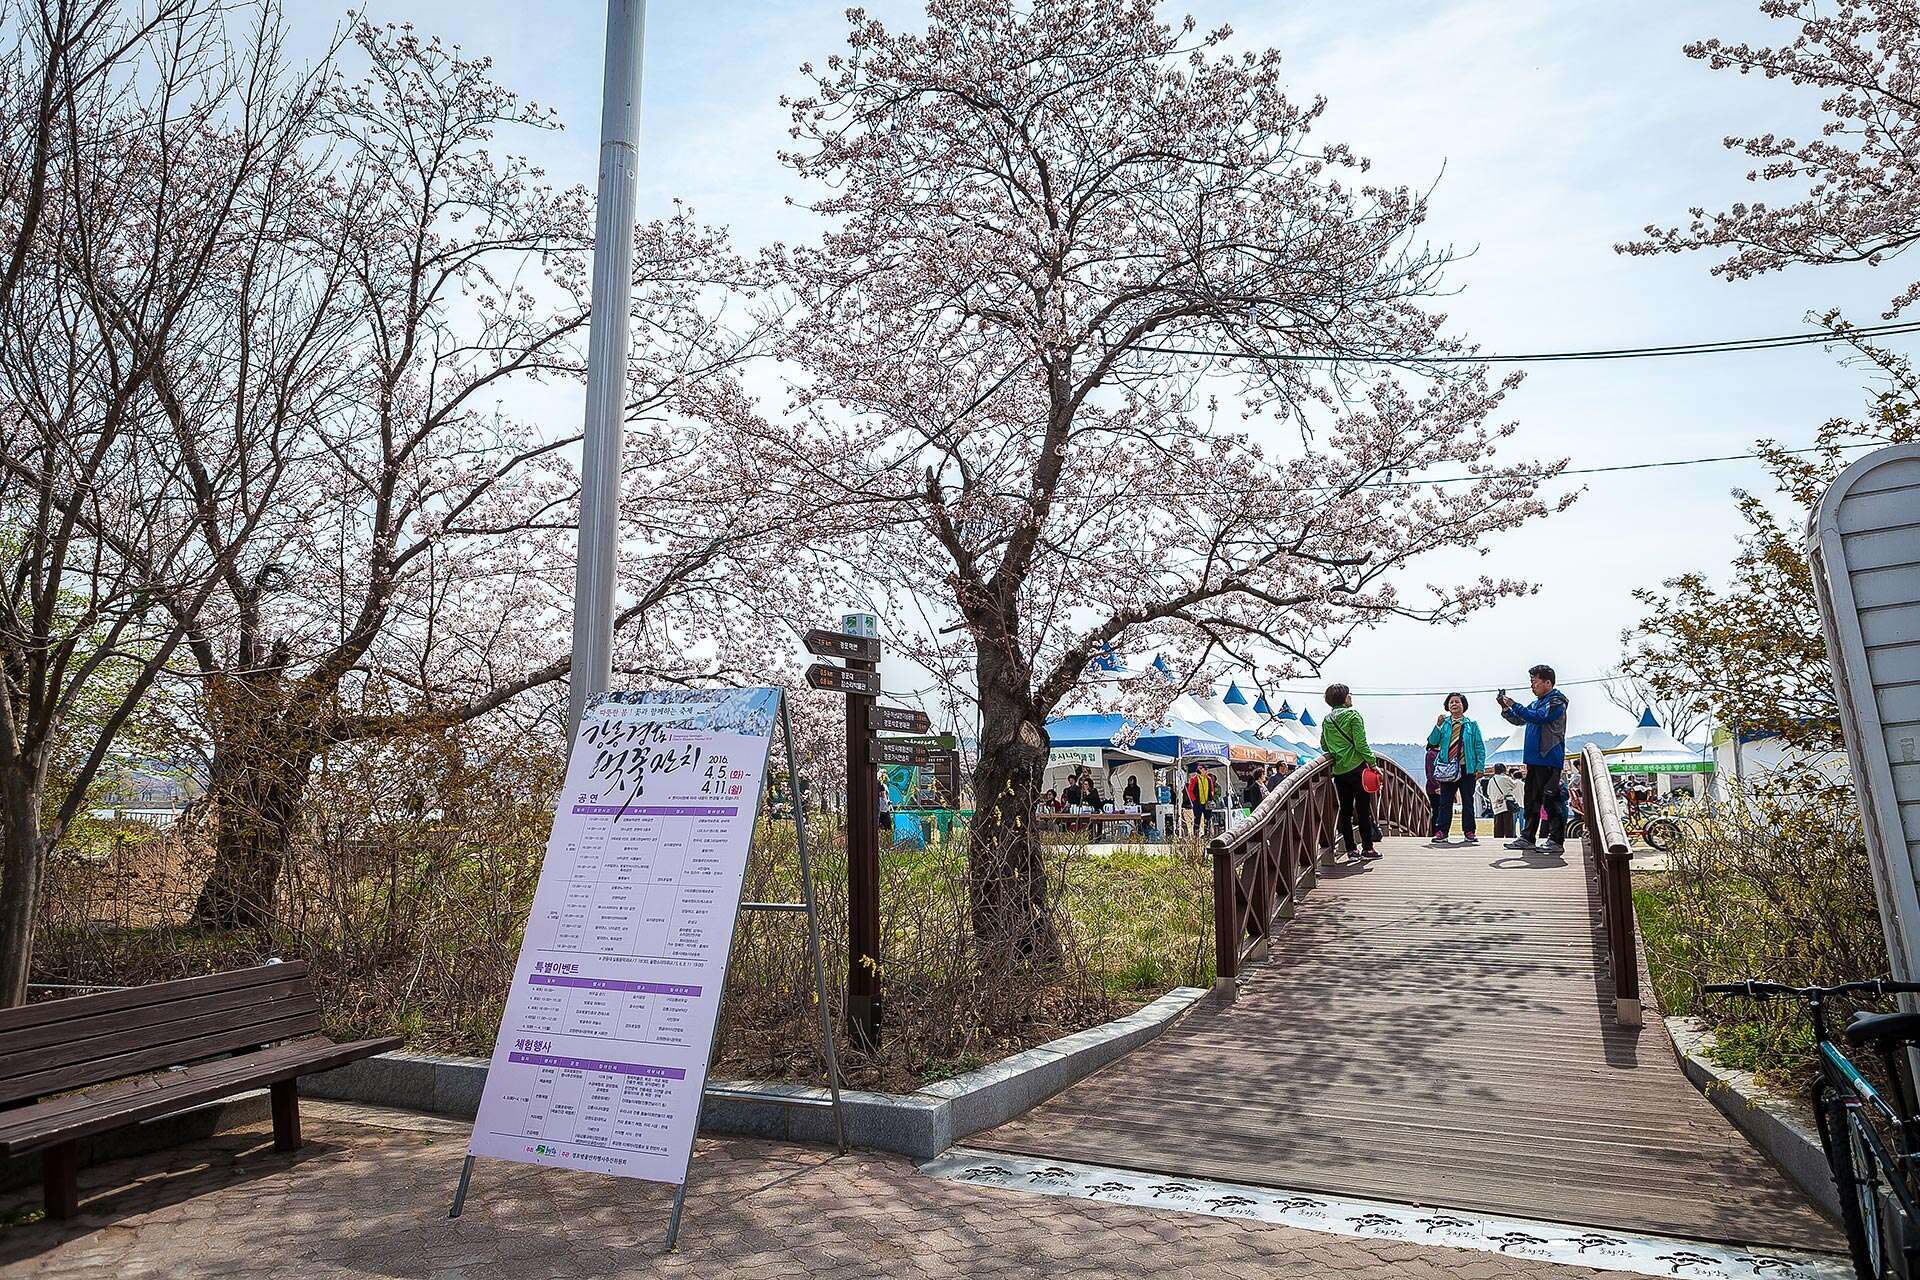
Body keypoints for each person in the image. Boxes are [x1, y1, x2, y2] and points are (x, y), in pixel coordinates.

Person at [1498, 664, 1571, 854]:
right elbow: (1520, 719)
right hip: (1534, 759)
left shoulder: (1556, 701)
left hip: (1548, 758)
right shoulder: (1538, 702)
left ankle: (1555, 840)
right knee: (1531, 801)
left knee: (1551, 800)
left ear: (1548, 682)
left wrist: (1515, 704)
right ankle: (1527, 837)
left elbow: (1538, 717)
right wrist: (1506, 709)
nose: (1532, 686)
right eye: (1531, 682)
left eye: (1535, 681)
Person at [1320, 683, 1380, 861]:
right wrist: (1373, 763)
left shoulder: (1327, 720)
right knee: (1362, 809)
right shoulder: (1353, 716)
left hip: (1339, 771)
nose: (1351, 697)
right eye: (1349, 695)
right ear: (1345, 698)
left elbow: (1324, 745)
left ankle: (1351, 849)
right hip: (1358, 770)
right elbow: (1361, 744)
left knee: (1345, 810)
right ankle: (1368, 849)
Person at [1425, 692, 1486, 846]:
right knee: (1445, 802)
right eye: (1451, 702)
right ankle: (1442, 831)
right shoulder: (1444, 724)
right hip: (1447, 769)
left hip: (1467, 768)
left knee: (1467, 801)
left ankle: (1469, 831)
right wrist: (1437, 726)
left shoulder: (1471, 724)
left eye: (1457, 702)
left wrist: (1480, 767)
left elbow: (1479, 747)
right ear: (1447, 706)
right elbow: (1432, 742)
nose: (1454, 704)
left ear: (1463, 705)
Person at [1486, 763, 1522, 839]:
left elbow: (1488, 793)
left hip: (1495, 805)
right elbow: (1514, 785)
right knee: (1508, 825)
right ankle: (1509, 839)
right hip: (1506, 804)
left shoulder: (1491, 780)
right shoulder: (1505, 778)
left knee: (1498, 825)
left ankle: (1498, 839)